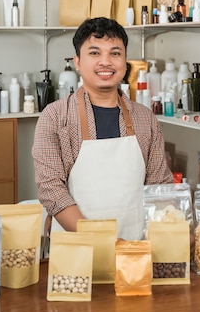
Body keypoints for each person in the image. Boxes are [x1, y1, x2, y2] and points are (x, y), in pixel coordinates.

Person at [32, 16, 173, 240]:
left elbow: (160, 187)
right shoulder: (56, 117)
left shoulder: (145, 119)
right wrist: (102, 242)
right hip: (77, 250)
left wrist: (175, 231)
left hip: (134, 247)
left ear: (125, 62)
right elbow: (52, 190)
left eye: (115, 53)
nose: (105, 62)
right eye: (95, 53)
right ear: (77, 61)